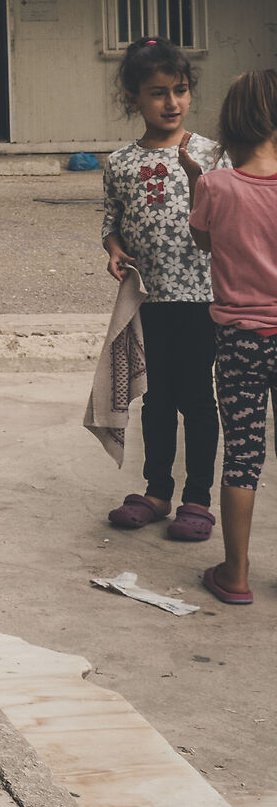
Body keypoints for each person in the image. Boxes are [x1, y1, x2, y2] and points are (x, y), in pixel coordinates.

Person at [100, 37, 221, 541]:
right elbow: (112, 221)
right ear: (133, 98)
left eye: (181, 90)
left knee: (197, 398)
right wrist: (113, 249)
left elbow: (230, 222)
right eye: (158, 93)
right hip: (149, 301)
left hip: (204, 300)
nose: (172, 103)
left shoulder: (213, 155)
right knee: (155, 397)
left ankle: (197, 499)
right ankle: (156, 491)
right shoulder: (120, 163)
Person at [185, 68, 277, 605]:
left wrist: (199, 180)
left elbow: (202, 241)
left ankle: (235, 575)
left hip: (241, 341)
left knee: (243, 455)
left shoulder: (216, 187)